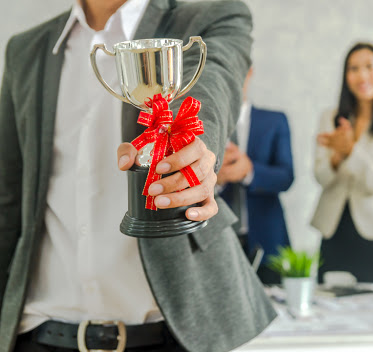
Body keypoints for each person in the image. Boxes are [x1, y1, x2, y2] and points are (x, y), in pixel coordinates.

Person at [0, 1, 277, 351]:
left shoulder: (210, 15)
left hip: (173, 333)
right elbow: (8, 200)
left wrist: (190, 145)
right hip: (39, 332)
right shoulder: (25, 50)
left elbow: (212, 80)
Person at [310, 42, 373, 294]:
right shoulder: (330, 117)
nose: (362, 75)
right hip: (335, 233)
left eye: (370, 67)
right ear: (346, 76)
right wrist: (336, 158)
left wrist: (350, 151)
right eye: (354, 68)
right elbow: (321, 177)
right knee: (331, 317)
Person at [217, 67, 294, 285]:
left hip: (268, 241)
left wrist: (249, 170)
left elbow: (286, 176)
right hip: (219, 242)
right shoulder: (200, 126)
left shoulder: (275, 121)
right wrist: (216, 178)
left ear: (249, 71)